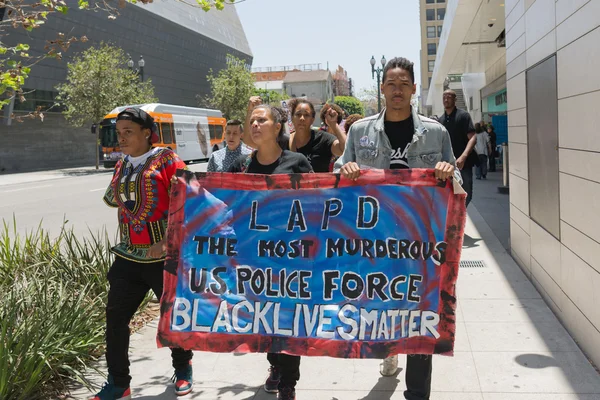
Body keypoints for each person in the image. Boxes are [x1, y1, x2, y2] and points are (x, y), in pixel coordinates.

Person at [334, 57, 461, 400]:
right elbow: (337, 169)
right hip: (375, 246)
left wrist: (449, 173)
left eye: (404, 84)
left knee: (421, 315)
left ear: (414, 89)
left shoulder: (436, 132)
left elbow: (458, 183)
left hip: (420, 245)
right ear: (382, 88)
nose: (397, 90)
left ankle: (417, 393)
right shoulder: (360, 131)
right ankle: (390, 351)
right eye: (391, 84)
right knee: (384, 311)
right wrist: (344, 171)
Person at [96, 107, 193, 400]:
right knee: (115, 318)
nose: (121, 138)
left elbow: (190, 197)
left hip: (162, 258)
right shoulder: (122, 164)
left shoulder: (166, 160)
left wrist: (166, 239)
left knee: (172, 315)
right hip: (127, 256)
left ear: (146, 134)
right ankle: (118, 382)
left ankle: (183, 367)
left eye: (128, 132)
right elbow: (114, 199)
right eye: (119, 132)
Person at [229, 104, 313, 400]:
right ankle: (274, 365)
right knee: (265, 320)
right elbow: (222, 203)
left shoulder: (297, 162)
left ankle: (288, 382)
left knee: (288, 321)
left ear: (277, 127)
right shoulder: (240, 167)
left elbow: (320, 202)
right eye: (252, 120)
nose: (254, 124)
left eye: (261, 119)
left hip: (291, 260)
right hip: (254, 261)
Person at [242, 97, 347, 173]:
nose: (302, 118)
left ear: (312, 119)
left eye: (306, 115)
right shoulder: (283, 141)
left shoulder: (323, 139)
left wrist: (333, 125)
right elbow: (248, 140)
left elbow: (345, 149)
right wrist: (250, 110)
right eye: (298, 114)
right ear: (291, 118)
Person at [438, 89, 477, 207]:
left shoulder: (464, 116)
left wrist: (463, 157)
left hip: (463, 164)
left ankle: (460, 216)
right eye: (444, 97)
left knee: (466, 194)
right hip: (447, 165)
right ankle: (454, 218)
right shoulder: (440, 120)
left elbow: (473, 137)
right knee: (448, 194)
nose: (446, 99)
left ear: (455, 99)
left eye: (449, 97)